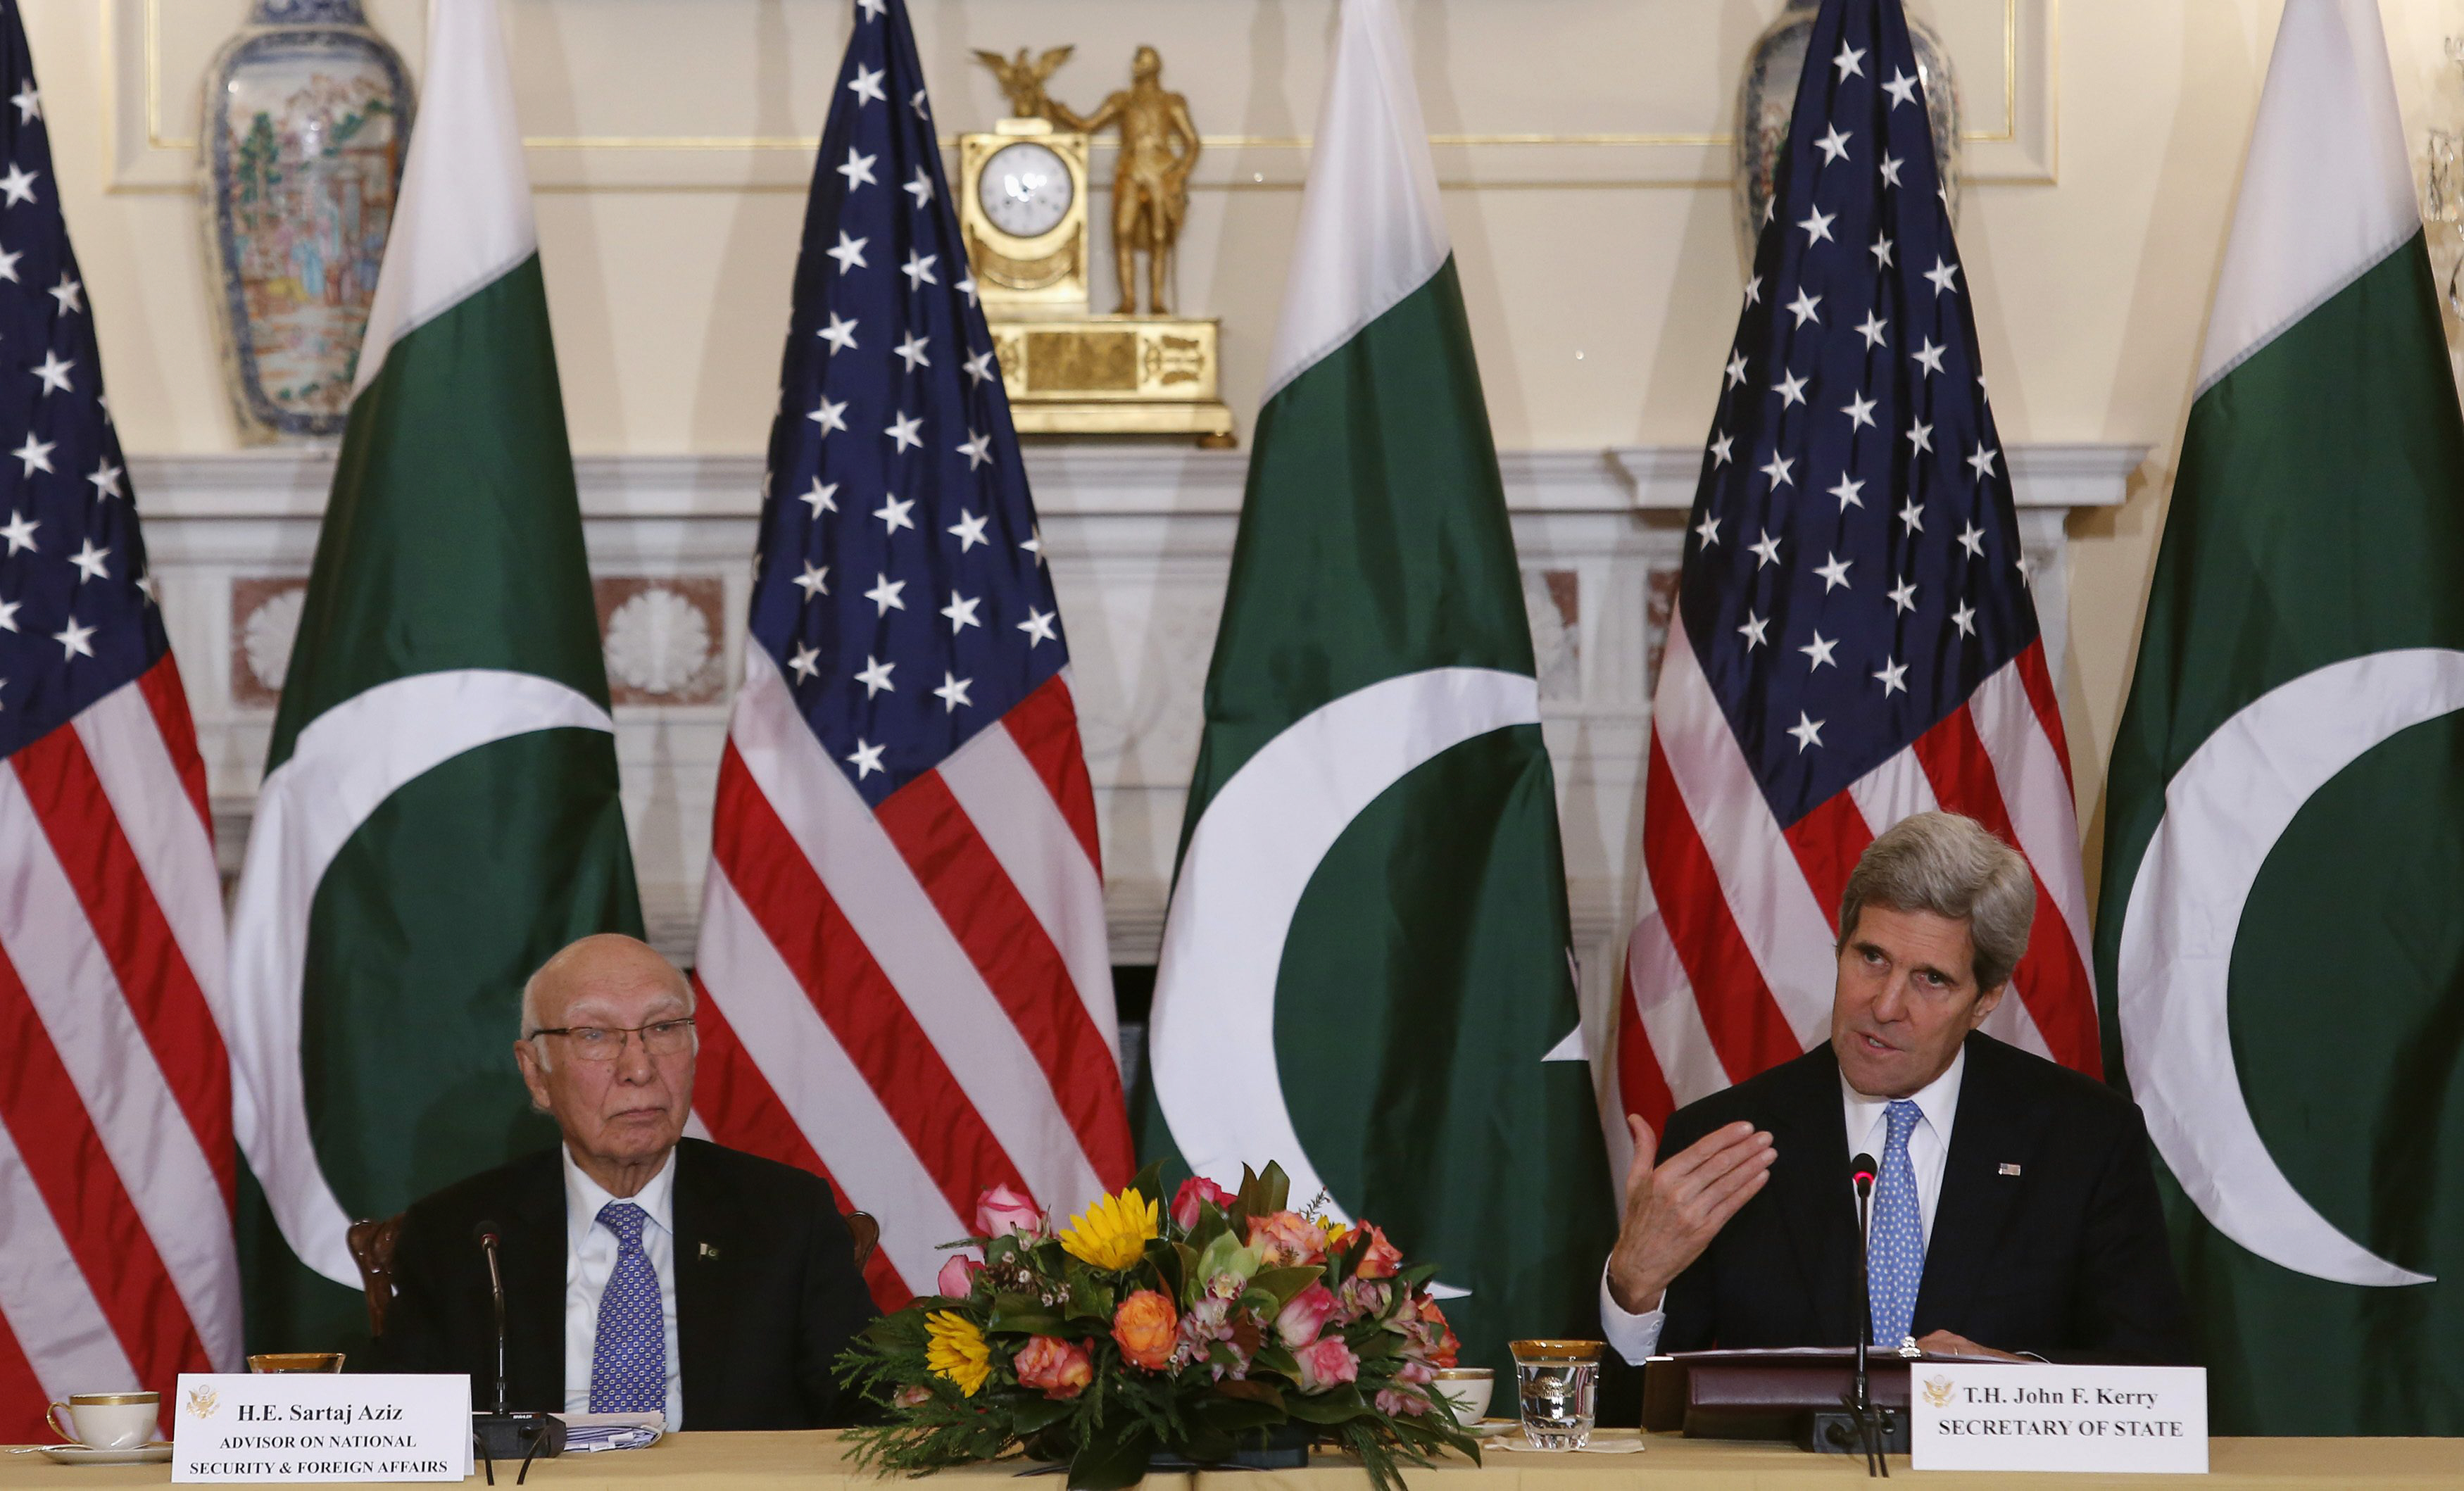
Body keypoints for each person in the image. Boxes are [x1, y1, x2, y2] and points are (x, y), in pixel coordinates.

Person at [1603, 812, 2192, 1366]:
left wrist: (2020, 1387)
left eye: (1931, 979)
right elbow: (1640, 1420)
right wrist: (1633, 1285)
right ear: (1841, 950)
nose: (1885, 1006)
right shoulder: (1726, 1141)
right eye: (1872, 958)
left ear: (1986, 999)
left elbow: (2153, 1378)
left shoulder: (2084, 1140)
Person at [368, 934, 876, 1428]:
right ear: (536, 1074)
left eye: (663, 1029)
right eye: (595, 1035)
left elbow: (867, 1407)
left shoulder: (786, 1216)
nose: (639, 1068)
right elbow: (397, 1429)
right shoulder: (456, 1234)